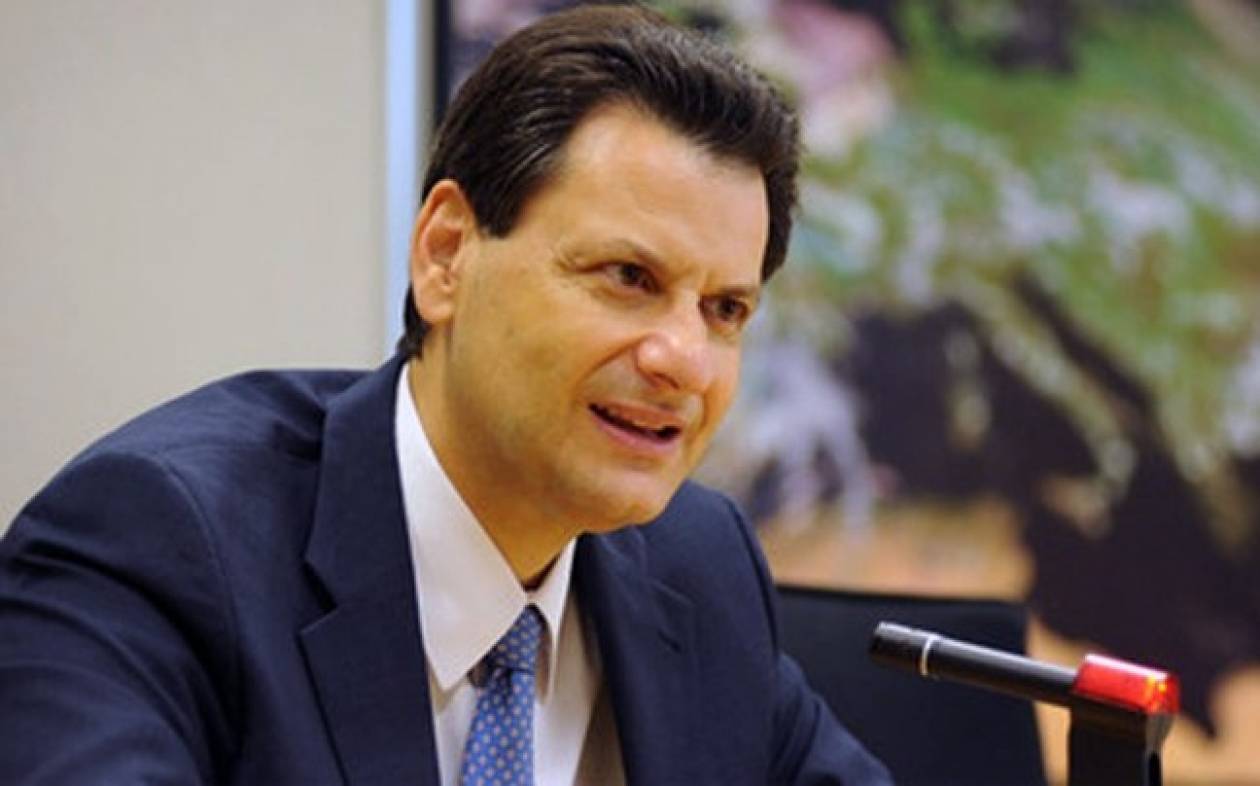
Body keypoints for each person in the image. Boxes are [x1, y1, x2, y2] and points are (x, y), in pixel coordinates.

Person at [0, 5, 892, 785]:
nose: (685, 361)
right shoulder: (163, 541)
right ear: (446, 254)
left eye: (725, 309)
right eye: (628, 276)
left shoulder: (697, 567)